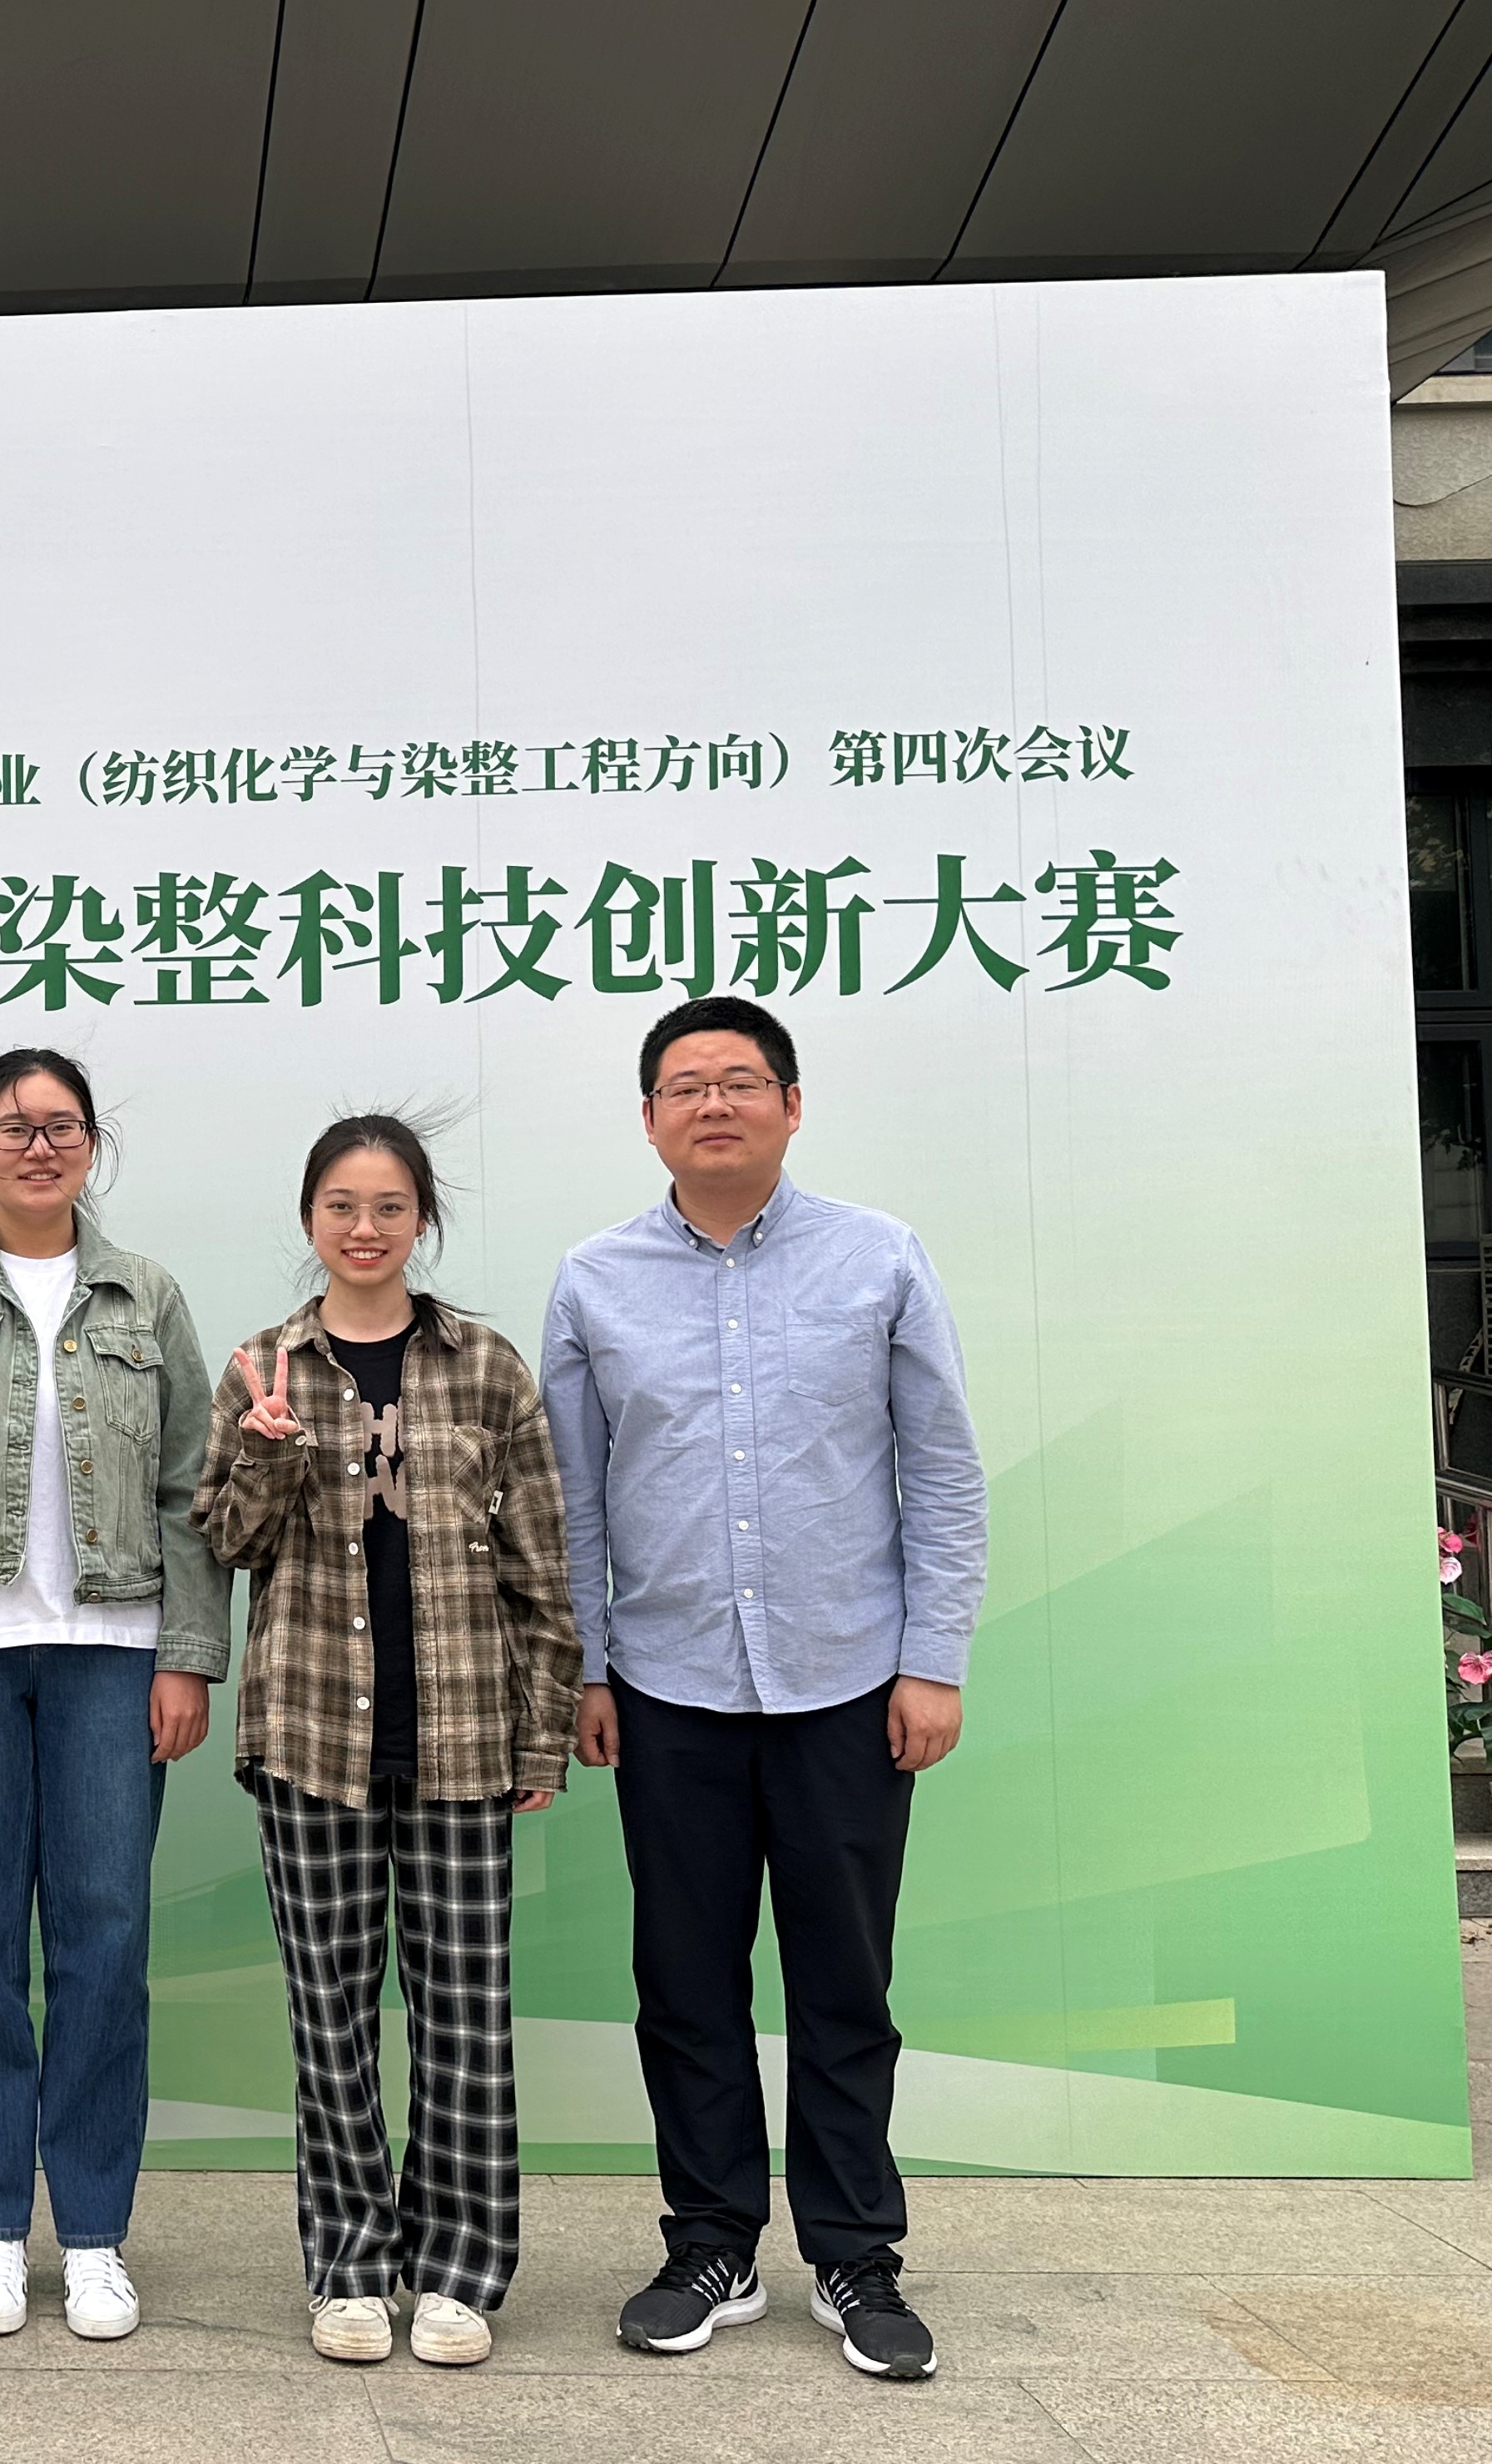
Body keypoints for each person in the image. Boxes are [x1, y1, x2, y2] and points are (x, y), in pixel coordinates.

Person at [542, 995, 984, 2384]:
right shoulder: (595, 1278)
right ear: (650, 1119)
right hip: (665, 1688)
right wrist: (586, 1665)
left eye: (741, 1081)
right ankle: (712, 2245)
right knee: (685, 1983)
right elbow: (571, 1503)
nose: (714, 1104)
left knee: (846, 1984)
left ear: (793, 1106)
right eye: (686, 1086)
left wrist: (934, 1660)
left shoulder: (879, 1258)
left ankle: (855, 2255)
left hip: (849, 1683)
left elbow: (943, 1472)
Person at [0, 1047, 227, 2343]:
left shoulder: (145, 1293)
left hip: (115, 1655)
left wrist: (188, 1654)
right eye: (13, 1128)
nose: (38, 1146)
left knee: (105, 1943)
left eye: (62, 1126)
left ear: (91, 1147)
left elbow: (191, 1480)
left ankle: (100, 2234)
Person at [194, 1115, 581, 2370]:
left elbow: (540, 1563)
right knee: (332, 2021)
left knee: (465, 2018)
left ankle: (460, 2270)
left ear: (424, 1220)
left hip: (464, 1737)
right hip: (311, 1737)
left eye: (390, 1208)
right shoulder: (262, 1367)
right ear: (310, 1219)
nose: (364, 1230)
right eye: (341, 1208)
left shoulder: (487, 1368)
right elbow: (227, 1545)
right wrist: (266, 1457)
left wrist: (543, 1735)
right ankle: (352, 2266)